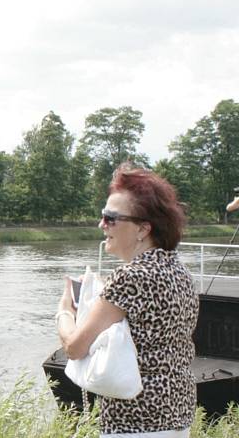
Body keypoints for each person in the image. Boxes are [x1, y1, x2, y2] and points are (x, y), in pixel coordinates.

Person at [56, 164, 198, 437]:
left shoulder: (130, 277)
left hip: (135, 421)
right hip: (177, 414)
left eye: (110, 218)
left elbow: (74, 348)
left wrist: (64, 312)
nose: (101, 224)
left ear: (143, 229)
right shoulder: (180, 271)